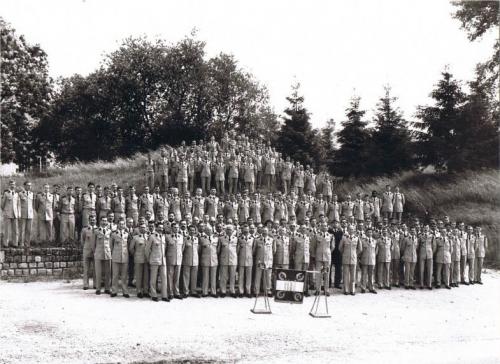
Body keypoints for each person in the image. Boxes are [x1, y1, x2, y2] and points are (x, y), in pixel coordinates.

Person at [145, 223, 168, 302]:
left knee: (164, 278)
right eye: (159, 227)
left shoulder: (164, 237)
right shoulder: (152, 237)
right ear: (156, 228)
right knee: (153, 279)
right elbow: (147, 250)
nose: (161, 229)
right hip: (154, 260)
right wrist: (149, 259)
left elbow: (165, 249)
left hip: (163, 261)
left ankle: (164, 295)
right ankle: (154, 295)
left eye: (162, 228)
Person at [339, 224, 362, 295]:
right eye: (350, 229)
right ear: (348, 230)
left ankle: (352, 290)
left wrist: (355, 254)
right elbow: (340, 248)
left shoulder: (357, 238)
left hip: (353, 258)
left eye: (352, 229)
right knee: (345, 275)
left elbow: (360, 249)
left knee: (353, 275)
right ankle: (346, 290)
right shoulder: (344, 238)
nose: (351, 230)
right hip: (345, 258)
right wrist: (345, 253)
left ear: (354, 230)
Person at [92, 216, 112, 295]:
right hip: (99, 253)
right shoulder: (96, 231)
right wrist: (95, 252)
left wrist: (110, 251)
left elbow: (111, 243)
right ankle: (98, 288)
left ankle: (107, 288)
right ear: (100, 222)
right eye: (103, 220)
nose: (104, 222)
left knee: (108, 272)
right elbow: (93, 244)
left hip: (107, 253)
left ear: (107, 222)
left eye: (105, 221)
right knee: (98, 272)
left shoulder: (109, 231)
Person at [128, 223, 149, 298]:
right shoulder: (135, 238)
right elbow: (131, 248)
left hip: (147, 259)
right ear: (139, 229)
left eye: (144, 227)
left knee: (146, 276)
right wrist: (135, 255)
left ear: (146, 228)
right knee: (139, 275)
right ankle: (139, 291)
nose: (143, 229)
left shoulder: (149, 237)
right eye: (141, 227)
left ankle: (146, 291)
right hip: (138, 258)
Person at [110, 219, 130, 298]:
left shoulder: (127, 234)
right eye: (120, 224)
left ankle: (125, 291)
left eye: (123, 224)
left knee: (124, 276)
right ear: (117, 225)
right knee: (115, 275)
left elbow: (128, 245)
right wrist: (113, 254)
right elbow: (110, 246)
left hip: (124, 256)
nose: (121, 225)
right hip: (116, 256)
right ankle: (114, 291)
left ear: (124, 225)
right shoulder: (114, 234)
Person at [253, 227, 275, 297]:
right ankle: (256, 291)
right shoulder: (257, 240)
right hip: (260, 260)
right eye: (263, 231)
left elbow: (274, 251)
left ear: (268, 232)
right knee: (258, 276)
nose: (264, 232)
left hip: (268, 260)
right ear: (261, 232)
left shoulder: (271, 240)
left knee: (268, 276)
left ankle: (268, 290)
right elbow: (254, 251)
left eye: (266, 231)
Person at [218, 224, 238, 298]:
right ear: (225, 230)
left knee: (232, 276)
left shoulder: (236, 239)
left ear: (233, 231)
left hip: (233, 259)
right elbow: (219, 250)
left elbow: (238, 249)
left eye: (230, 229)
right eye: (228, 229)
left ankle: (232, 290)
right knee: (223, 276)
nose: (229, 231)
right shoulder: (221, 238)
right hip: (224, 259)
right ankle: (223, 291)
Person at [166, 222, 184, 299]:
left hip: (179, 258)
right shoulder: (168, 237)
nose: (176, 229)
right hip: (170, 258)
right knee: (170, 276)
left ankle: (176, 292)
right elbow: (165, 248)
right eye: (174, 227)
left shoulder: (181, 237)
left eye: (177, 227)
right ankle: (170, 292)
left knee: (177, 276)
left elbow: (182, 248)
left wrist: (179, 254)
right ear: (171, 228)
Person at [314, 222, 333, 294]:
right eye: (323, 226)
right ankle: (318, 290)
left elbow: (332, 246)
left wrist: (327, 252)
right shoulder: (316, 235)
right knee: (318, 274)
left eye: (325, 226)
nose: (324, 227)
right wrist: (315, 254)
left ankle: (326, 290)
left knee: (327, 274)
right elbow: (313, 246)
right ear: (320, 227)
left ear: (327, 227)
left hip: (327, 257)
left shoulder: (331, 236)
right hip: (318, 256)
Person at [200, 225, 219, 297]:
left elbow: (218, 249)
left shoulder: (216, 239)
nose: (209, 231)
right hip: (205, 259)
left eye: (210, 230)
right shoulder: (202, 239)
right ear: (205, 231)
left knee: (213, 277)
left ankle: (213, 292)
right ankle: (205, 292)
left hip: (214, 259)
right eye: (207, 230)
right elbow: (200, 250)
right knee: (205, 276)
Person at [182, 225, 200, 298]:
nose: (192, 231)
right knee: (186, 276)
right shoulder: (185, 239)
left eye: (193, 230)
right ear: (188, 231)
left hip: (195, 260)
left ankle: (193, 291)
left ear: (195, 231)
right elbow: (182, 250)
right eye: (191, 230)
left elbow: (198, 250)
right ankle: (186, 291)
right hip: (187, 260)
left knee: (194, 277)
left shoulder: (197, 239)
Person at [237, 223, 254, 298]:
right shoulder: (239, 238)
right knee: (241, 276)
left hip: (249, 259)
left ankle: (248, 291)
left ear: (249, 230)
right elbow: (237, 250)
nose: (246, 231)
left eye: (247, 229)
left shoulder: (253, 238)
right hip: (241, 259)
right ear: (242, 230)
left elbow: (254, 249)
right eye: (244, 229)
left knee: (248, 276)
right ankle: (241, 291)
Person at [81, 214, 97, 290]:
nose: (92, 221)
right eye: (91, 220)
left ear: (96, 220)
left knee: (96, 268)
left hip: (96, 251)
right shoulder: (85, 229)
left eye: (94, 220)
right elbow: (82, 241)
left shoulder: (98, 229)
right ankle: (86, 284)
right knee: (86, 268)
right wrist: (85, 248)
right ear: (89, 220)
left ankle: (96, 284)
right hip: (87, 250)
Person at [360, 228, 378, 294]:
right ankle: (363, 288)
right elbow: (360, 250)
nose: (370, 233)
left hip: (372, 260)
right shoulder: (362, 241)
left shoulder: (374, 241)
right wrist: (360, 258)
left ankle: (371, 288)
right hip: (364, 259)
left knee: (371, 275)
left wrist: (373, 256)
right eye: (368, 232)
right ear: (366, 233)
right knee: (364, 274)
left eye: (371, 232)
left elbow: (376, 250)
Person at [418, 225, 435, 289]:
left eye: (427, 228)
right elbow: (418, 246)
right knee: (421, 269)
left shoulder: (432, 236)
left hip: (429, 254)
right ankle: (421, 284)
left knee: (430, 270)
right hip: (422, 254)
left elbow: (434, 246)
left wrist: (432, 252)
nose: (426, 229)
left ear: (429, 228)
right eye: (424, 228)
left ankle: (429, 284)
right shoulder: (420, 236)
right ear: (423, 228)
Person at [19, 181, 34, 247]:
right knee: (22, 229)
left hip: (30, 214)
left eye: (30, 185)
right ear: (24, 186)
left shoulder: (32, 194)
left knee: (29, 230)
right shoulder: (20, 194)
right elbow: (18, 204)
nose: (29, 187)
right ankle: (21, 244)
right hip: (23, 214)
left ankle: (27, 243)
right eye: (28, 185)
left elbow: (33, 204)